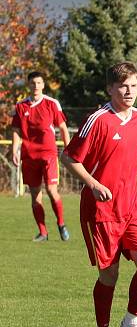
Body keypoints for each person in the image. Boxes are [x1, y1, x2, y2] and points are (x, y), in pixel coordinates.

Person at [61, 61, 137, 327]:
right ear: (110, 88)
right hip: (101, 212)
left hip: (132, 207)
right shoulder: (98, 120)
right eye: (122, 86)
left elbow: (135, 153)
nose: (129, 91)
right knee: (109, 275)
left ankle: (132, 321)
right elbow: (68, 158)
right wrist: (93, 184)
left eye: (133, 85)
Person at [11, 71, 71, 242]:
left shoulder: (52, 104)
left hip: (48, 155)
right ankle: (43, 232)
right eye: (32, 83)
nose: (36, 86)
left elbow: (63, 128)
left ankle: (61, 224)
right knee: (35, 195)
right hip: (29, 156)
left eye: (39, 83)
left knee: (52, 191)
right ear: (28, 85)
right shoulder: (21, 106)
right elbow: (15, 131)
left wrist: (68, 150)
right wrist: (15, 149)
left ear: (43, 85)